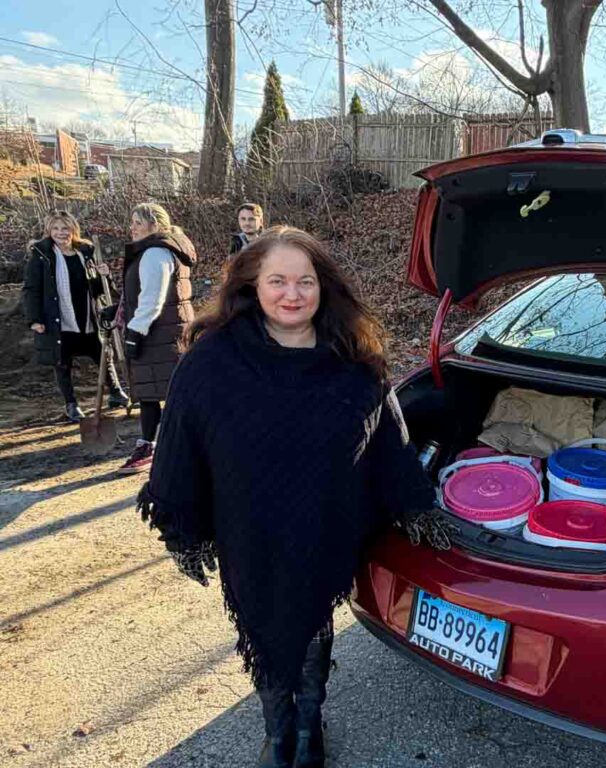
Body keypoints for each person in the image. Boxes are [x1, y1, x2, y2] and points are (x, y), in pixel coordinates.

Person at [136, 226, 453, 768]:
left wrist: (414, 502)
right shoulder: (213, 359)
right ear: (252, 286)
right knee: (267, 624)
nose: (292, 293)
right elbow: (179, 445)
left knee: (313, 621)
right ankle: (278, 731)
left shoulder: (351, 358)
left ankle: (308, 729)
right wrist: (182, 526)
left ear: (323, 286)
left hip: (324, 524)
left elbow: (387, 437)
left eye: (305, 281)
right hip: (248, 528)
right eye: (277, 281)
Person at [22, 210, 130, 422]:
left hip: (87, 315)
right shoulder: (42, 255)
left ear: (73, 230)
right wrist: (34, 319)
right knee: (62, 362)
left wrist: (105, 275)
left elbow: (98, 289)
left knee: (102, 354)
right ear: (49, 231)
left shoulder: (86, 252)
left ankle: (116, 392)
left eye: (65, 228)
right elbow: (32, 289)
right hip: (58, 318)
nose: (60, 233)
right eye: (55, 228)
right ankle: (71, 404)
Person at [116, 203, 197, 474]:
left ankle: (148, 448)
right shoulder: (165, 248)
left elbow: (153, 298)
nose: (132, 228)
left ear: (155, 225)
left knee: (151, 392)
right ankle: (167, 445)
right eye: (132, 222)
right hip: (168, 330)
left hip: (157, 333)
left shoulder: (155, 252)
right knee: (168, 391)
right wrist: (117, 310)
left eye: (138, 222)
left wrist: (135, 331)